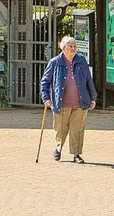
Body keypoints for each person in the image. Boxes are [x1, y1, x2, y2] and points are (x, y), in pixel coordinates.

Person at [40, 35, 96, 163]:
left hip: (80, 103)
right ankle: (58, 148)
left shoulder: (81, 61)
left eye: (74, 46)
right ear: (63, 47)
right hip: (61, 103)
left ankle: (76, 154)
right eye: (70, 46)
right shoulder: (55, 62)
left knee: (77, 130)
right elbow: (45, 82)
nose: (73, 48)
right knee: (61, 129)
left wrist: (93, 97)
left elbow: (89, 80)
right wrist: (46, 98)